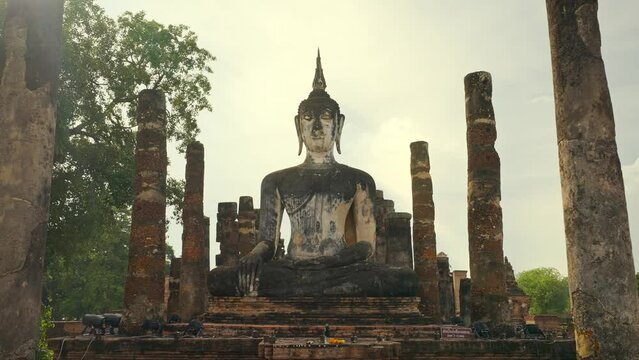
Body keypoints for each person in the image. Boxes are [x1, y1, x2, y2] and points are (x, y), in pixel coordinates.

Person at [208, 51, 417, 297]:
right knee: (219, 279)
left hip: (340, 268)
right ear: (299, 126)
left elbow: (365, 247)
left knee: (405, 280)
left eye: (326, 118)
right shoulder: (276, 180)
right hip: (292, 268)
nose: (317, 127)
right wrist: (253, 256)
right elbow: (268, 243)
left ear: (338, 125)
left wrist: (326, 262)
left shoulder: (359, 180)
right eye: (309, 119)